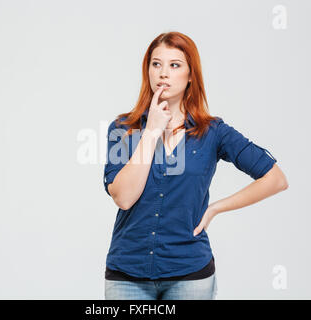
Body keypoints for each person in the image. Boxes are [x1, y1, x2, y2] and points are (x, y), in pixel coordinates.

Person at [103, 31, 288, 300]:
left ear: (191, 75)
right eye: (156, 64)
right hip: (127, 275)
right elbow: (124, 198)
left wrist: (215, 208)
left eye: (174, 65)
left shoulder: (212, 132)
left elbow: (276, 179)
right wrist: (152, 130)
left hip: (189, 274)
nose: (163, 73)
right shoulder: (123, 129)